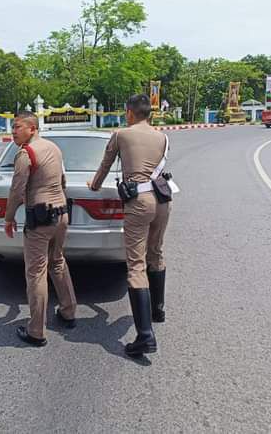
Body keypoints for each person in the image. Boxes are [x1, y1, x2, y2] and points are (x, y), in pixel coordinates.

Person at [88, 94, 172, 357]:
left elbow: (105, 165)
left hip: (139, 202)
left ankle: (145, 336)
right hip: (163, 200)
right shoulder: (163, 137)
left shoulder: (121, 134)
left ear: (130, 113)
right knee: (156, 252)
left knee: (136, 265)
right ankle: (157, 310)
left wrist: (94, 186)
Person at [4, 111, 77, 347]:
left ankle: (36, 331)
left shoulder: (26, 153)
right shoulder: (54, 148)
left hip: (41, 219)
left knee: (36, 272)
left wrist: (8, 218)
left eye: (18, 127)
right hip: (61, 214)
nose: (13, 131)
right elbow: (63, 180)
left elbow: (17, 190)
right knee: (58, 261)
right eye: (13, 127)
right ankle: (68, 311)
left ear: (32, 129)